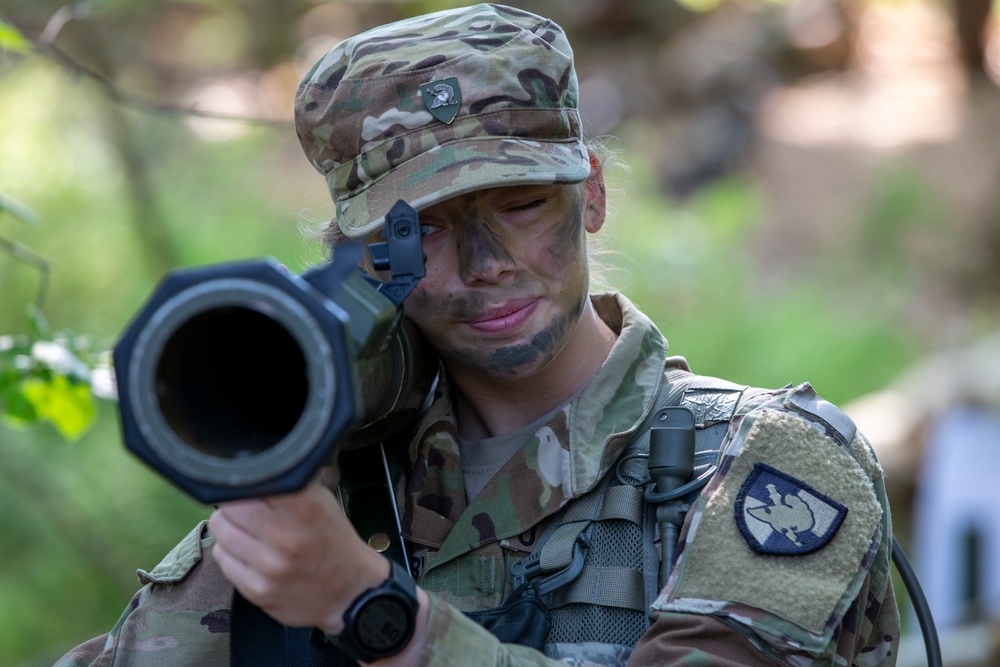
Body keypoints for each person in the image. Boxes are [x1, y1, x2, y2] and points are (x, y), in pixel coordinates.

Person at [55, 4, 900, 666]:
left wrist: (372, 613)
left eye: (523, 205)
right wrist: (278, 459)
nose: (486, 263)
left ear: (592, 194)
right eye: (422, 229)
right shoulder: (352, 471)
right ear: (354, 257)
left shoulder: (772, 463)